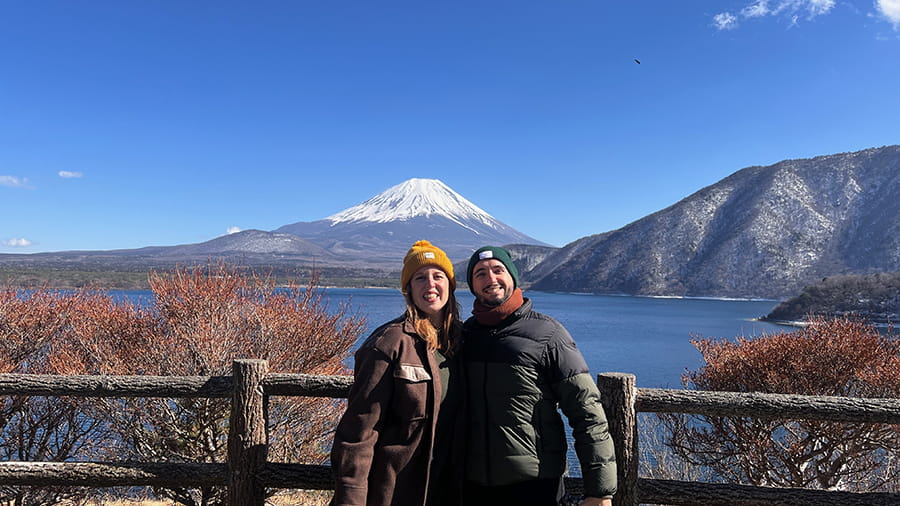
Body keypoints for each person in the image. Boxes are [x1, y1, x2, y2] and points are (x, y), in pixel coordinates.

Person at [461, 246, 617, 506]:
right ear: (472, 285)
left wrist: (600, 491)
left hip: (535, 487)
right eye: (480, 274)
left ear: (512, 277)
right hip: (471, 486)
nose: (490, 279)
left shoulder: (548, 334)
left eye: (498, 270)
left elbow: (587, 412)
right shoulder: (465, 336)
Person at [331, 240, 464, 506]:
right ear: (408, 289)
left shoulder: (463, 342)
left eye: (438, 276)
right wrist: (351, 496)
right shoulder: (389, 343)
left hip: (453, 489)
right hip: (397, 492)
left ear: (450, 284)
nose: (430, 285)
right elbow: (358, 433)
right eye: (420, 278)